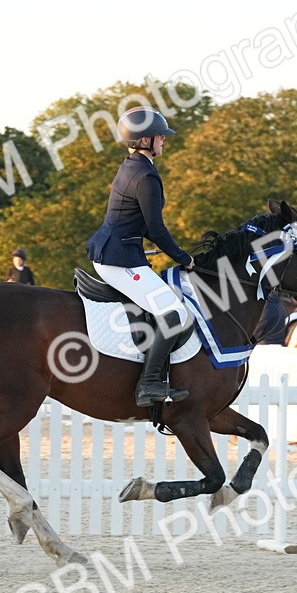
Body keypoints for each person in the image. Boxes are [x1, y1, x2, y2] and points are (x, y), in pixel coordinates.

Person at [84, 107, 194, 407]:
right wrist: (183, 257)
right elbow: (156, 229)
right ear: (145, 140)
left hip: (119, 250)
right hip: (119, 259)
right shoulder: (146, 176)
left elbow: (142, 223)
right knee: (175, 314)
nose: (164, 142)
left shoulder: (131, 165)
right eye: (161, 137)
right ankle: (149, 384)